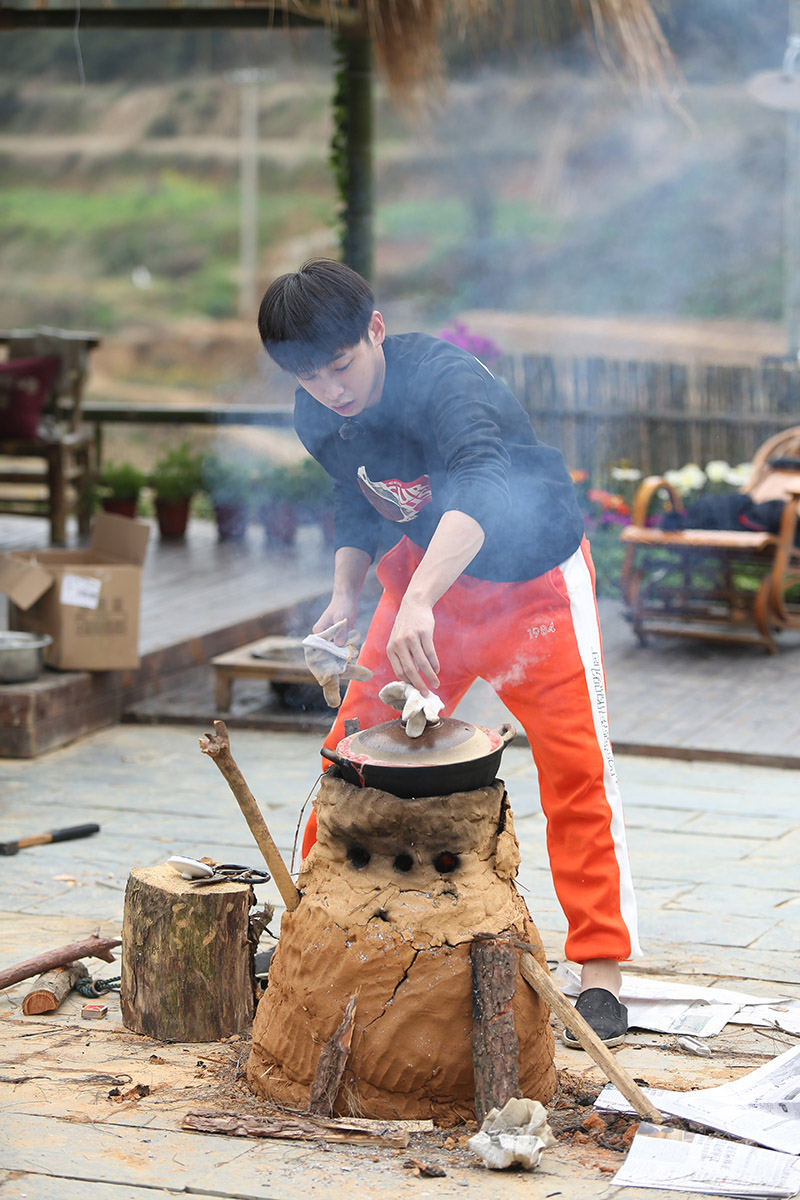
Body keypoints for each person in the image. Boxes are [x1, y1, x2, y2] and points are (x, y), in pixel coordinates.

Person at [258, 258, 640, 1046]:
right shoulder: (315, 409)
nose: (331, 389)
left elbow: (483, 483)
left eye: (341, 365)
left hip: (530, 585)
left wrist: (422, 598)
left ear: (375, 331)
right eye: (308, 375)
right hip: (421, 586)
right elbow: (354, 497)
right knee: (352, 758)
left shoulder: (445, 382)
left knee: (575, 767)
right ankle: (311, 929)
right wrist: (345, 597)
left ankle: (598, 967)